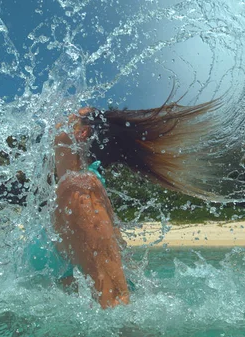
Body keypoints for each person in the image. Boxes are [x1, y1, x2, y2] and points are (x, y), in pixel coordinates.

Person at [52, 100, 221, 308]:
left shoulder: (81, 191)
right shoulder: (71, 189)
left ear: (82, 133)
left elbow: (116, 303)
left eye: (70, 116)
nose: (59, 118)